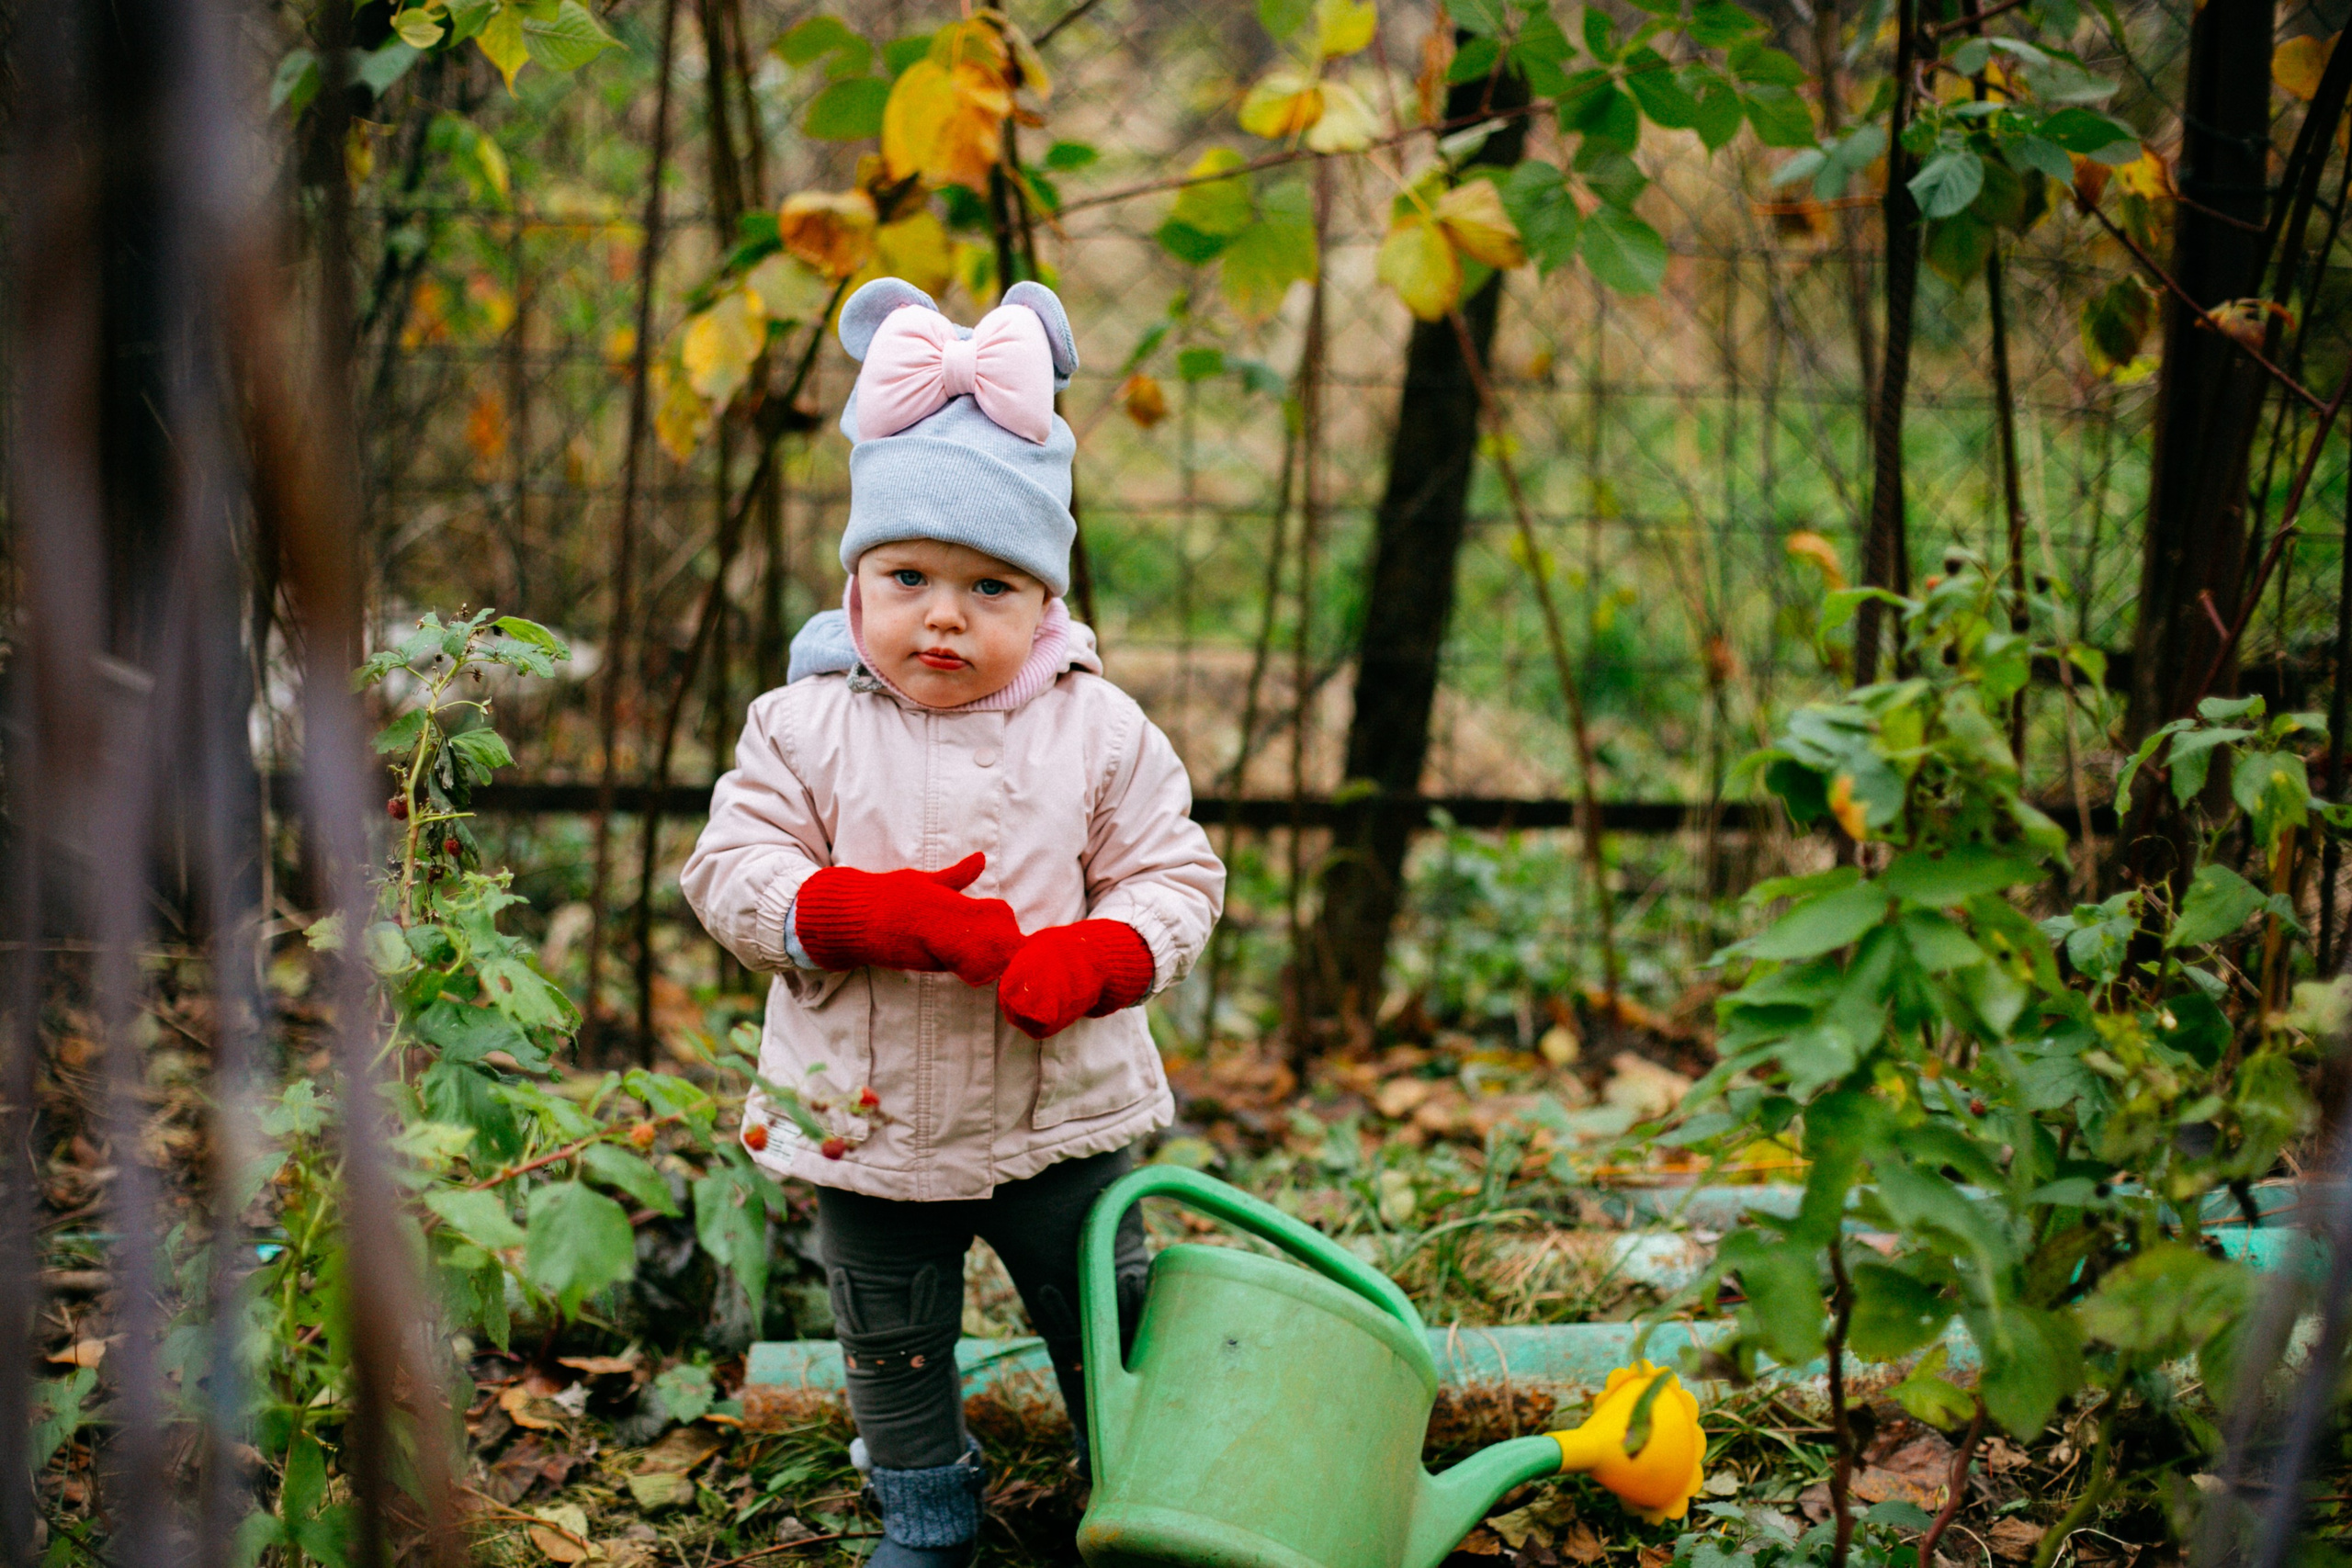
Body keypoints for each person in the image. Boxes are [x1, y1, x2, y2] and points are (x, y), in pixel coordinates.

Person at [681, 276, 1225, 1567]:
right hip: (865, 1119)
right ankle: (926, 1515)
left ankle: (1134, 1493)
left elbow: (1174, 872)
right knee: (889, 1327)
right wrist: (852, 913)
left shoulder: (1098, 727)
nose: (943, 615)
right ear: (858, 582)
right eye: (909, 575)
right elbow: (729, 868)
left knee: (1106, 1311)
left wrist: (1103, 952)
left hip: (1063, 1112)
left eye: (991, 586)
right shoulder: (799, 727)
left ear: (1046, 602)